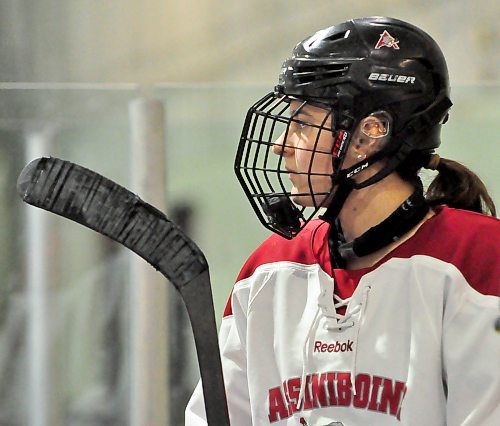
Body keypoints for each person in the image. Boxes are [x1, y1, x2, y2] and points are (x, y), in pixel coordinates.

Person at [185, 16, 499, 425]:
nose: (281, 146)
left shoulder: (476, 258)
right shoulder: (269, 269)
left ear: (371, 133)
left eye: (302, 124)